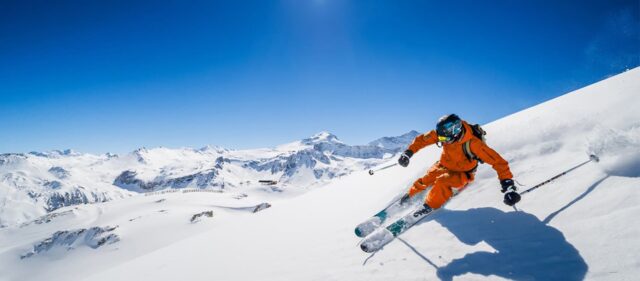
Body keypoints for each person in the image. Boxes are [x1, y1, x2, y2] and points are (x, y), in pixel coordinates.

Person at [398, 114, 520, 213]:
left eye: (444, 139)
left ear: (456, 132)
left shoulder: (473, 144)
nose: (442, 141)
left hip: (462, 173)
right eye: (440, 138)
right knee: (426, 179)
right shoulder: (443, 133)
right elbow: (422, 140)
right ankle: (411, 195)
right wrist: (408, 153)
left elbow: (499, 162)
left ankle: (428, 206)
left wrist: (508, 187)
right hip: (443, 165)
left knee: (442, 182)